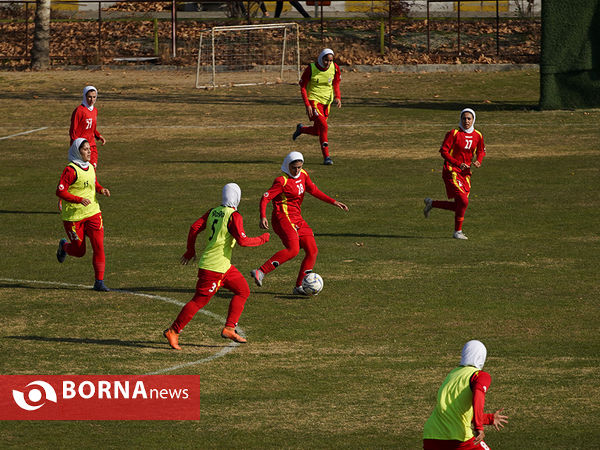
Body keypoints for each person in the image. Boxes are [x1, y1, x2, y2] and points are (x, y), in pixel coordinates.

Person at [163, 183, 270, 350]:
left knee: (243, 290)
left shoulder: (213, 211)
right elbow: (243, 241)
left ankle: (229, 328)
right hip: (214, 268)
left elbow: (194, 227)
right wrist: (263, 239)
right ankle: (173, 331)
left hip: (223, 266)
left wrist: (190, 250)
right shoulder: (234, 215)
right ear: (237, 197)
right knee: (199, 301)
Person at [250, 151, 348, 295]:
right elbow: (265, 198)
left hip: (296, 218)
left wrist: (333, 201)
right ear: (287, 165)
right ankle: (260, 271)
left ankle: (299, 286)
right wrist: (262, 216)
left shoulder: (303, 175)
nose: (297, 170)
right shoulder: (281, 181)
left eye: (299, 167)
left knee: (312, 250)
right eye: (294, 167)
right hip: (282, 217)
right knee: (293, 250)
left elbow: (313, 190)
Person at [423, 340, 509, 450]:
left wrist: (489, 418)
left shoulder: (452, 374)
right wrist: (479, 427)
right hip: (457, 437)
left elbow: (456, 413)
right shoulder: (480, 376)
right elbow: (478, 396)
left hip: (431, 436)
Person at [55, 138, 111, 292]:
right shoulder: (70, 170)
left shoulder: (91, 167)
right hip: (74, 217)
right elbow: (60, 191)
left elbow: (94, 183)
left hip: (93, 213)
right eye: (85, 149)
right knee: (80, 251)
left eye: (89, 148)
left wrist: (101, 190)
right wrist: (79, 200)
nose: (89, 151)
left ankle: (99, 282)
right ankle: (64, 247)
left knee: (99, 247)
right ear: (77, 152)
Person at [423, 108, 485, 240]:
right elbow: (443, 152)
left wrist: (479, 161)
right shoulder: (454, 133)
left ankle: (432, 203)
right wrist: (457, 163)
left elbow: (481, 151)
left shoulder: (478, 135)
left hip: (465, 173)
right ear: (460, 119)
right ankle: (457, 232)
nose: (466, 121)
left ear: (473, 119)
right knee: (464, 200)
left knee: (460, 205)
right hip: (451, 171)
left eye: (469, 118)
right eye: (464, 118)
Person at [293, 48, 342, 165]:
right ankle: (327, 157)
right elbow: (303, 87)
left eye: (330, 61)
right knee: (324, 126)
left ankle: (301, 129)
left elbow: (336, 82)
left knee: (318, 131)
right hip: (314, 102)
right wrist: (307, 105)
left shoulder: (334, 67)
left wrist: (338, 96)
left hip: (327, 102)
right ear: (321, 58)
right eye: (326, 60)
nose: (328, 63)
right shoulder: (311, 69)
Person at [69, 86, 106, 169]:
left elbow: (91, 127)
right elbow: (73, 131)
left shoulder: (95, 110)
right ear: (85, 96)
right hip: (82, 147)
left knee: (92, 170)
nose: (92, 100)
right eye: (89, 97)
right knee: (82, 171)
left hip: (91, 145)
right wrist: (76, 146)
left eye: (94, 97)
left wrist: (98, 136)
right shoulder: (79, 111)